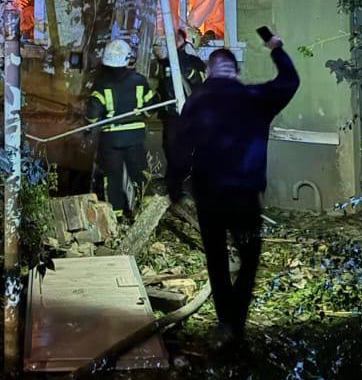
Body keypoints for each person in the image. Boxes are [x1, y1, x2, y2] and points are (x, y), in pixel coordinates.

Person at [168, 33, 299, 346]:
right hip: (245, 194)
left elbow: (180, 146)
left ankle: (225, 321)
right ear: (237, 72)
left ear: (208, 72)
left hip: (209, 194)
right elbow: (290, 81)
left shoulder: (197, 101)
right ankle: (236, 320)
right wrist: (276, 48)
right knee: (249, 256)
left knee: (216, 258)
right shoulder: (255, 98)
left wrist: (174, 183)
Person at [86, 38, 155, 216]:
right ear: (128, 58)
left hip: (111, 139)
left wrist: (89, 125)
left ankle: (115, 218)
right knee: (140, 176)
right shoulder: (140, 81)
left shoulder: (101, 84)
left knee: (113, 179)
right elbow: (150, 109)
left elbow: (93, 114)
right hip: (135, 137)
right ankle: (145, 214)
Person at [153, 28, 206, 164]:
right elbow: (163, 85)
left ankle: (187, 172)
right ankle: (175, 173)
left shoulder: (195, 62)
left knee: (188, 148)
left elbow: (200, 84)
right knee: (170, 147)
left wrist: (184, 63)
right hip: (171, 113)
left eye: (178, 39)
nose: (174, 42)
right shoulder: (166, 62)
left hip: (189, 113)